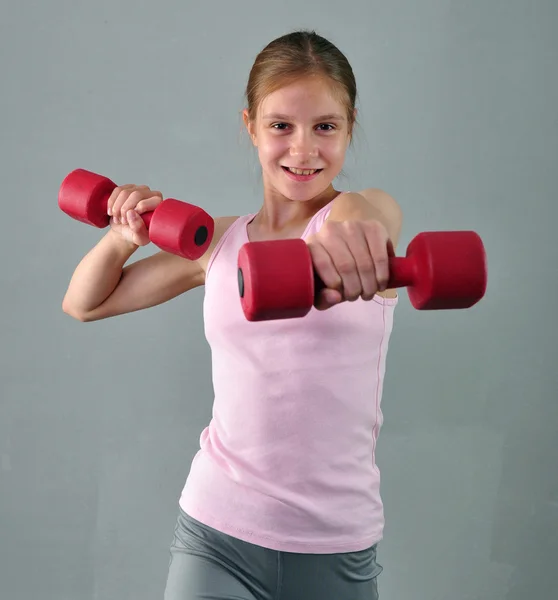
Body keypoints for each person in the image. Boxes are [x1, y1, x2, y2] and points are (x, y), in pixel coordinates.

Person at [62, 29, 403, 600]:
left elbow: (374, 215)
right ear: (249, 125)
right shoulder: (217, 245)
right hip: (216, 529)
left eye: (326, 126)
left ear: (349, 127)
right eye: (280, 126)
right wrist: (124, 237)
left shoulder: (358, 219)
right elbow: (85, 302)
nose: (303, 149)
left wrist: (356, 221)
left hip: (335, 543)